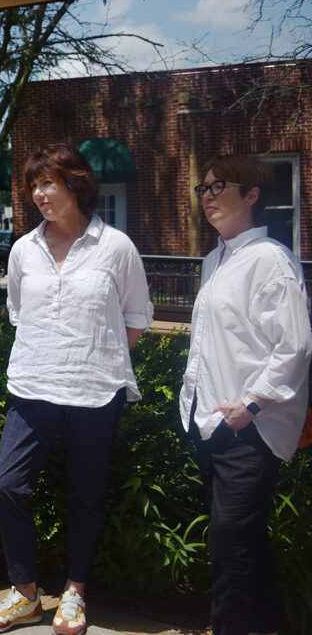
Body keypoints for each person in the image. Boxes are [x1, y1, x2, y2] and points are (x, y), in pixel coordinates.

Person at [0, 143, 152, 635]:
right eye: (33, 185)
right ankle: (25, 593)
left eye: (47, 182)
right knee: (6, 484)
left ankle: (74, 594)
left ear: (75, 184)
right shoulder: (22, 250)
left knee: (86, 494)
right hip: (32, 385)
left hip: (96, 391)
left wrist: (96, 357)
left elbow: (135, 319)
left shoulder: (115, 247)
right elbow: (18, 314)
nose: (38, 194)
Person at [178, 155, 311, 635]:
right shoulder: (217, 259)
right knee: (245, 541)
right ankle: (269, 626)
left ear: (252, 195)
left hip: (249, 428)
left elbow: (294, 346)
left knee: (229, 544)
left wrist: (252, 404)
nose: (208, 196)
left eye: (219, 187)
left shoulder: (271, 260)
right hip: (214, 423)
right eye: (203, 189)